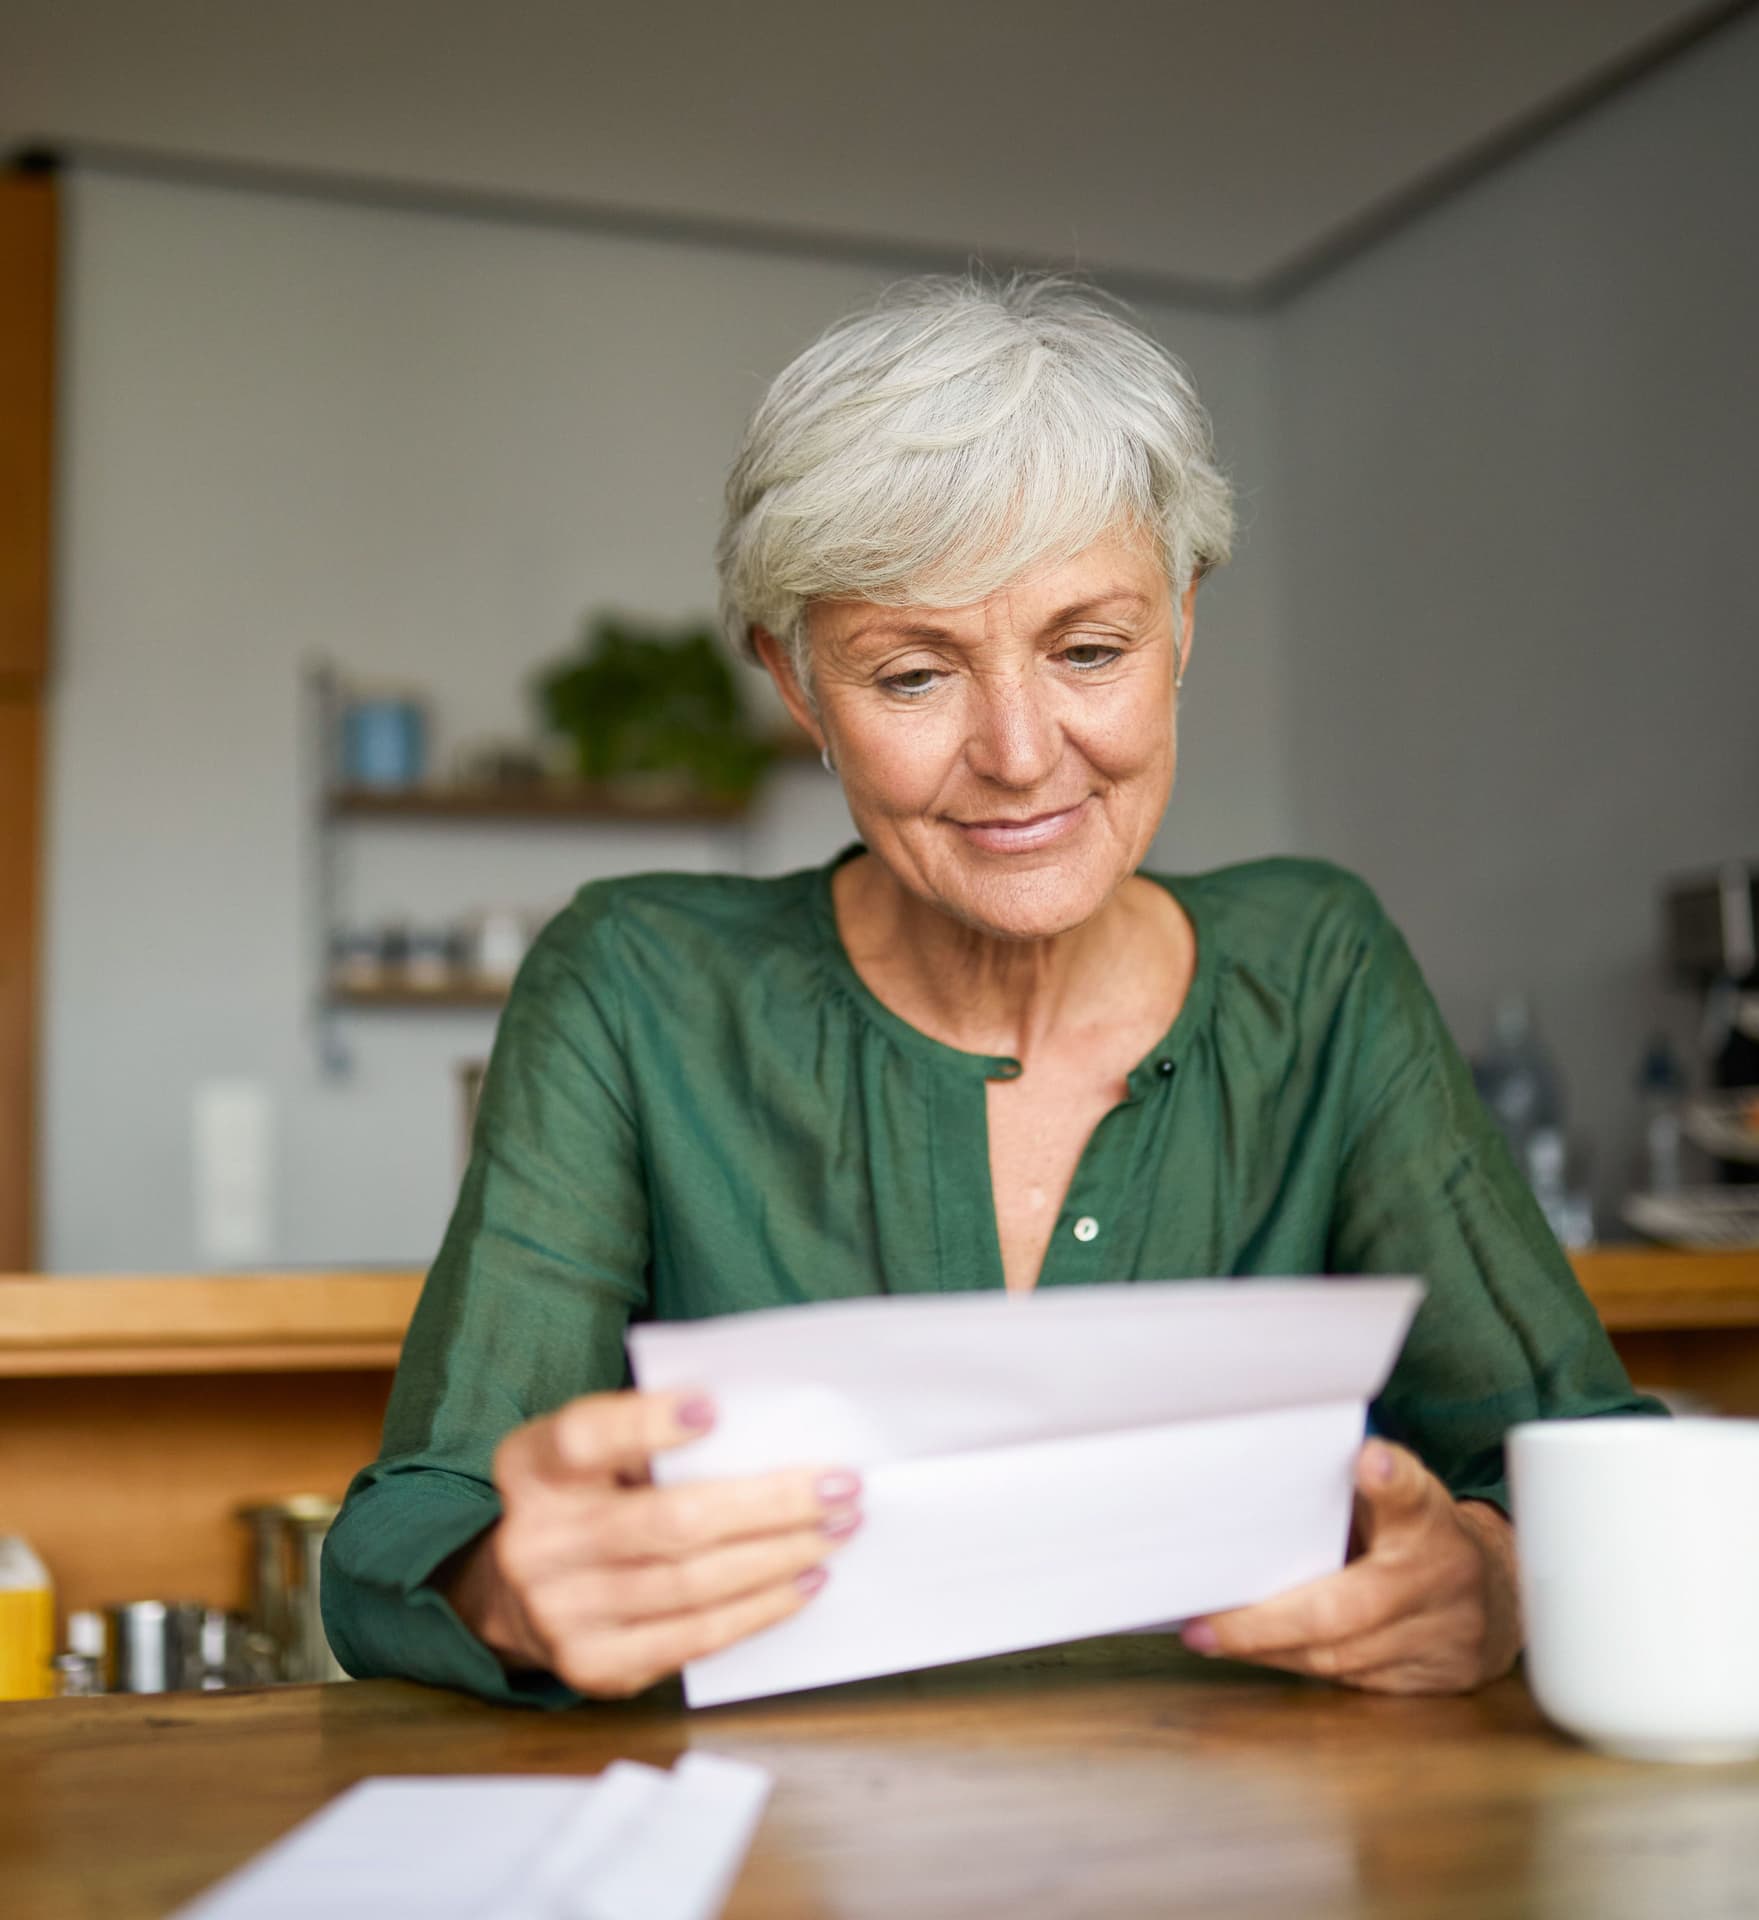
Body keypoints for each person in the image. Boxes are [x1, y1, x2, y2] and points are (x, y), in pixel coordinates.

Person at [321, 276, 1661, 1708]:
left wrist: (1498, 1579)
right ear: (794, 683)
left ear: (1185, 622)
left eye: (1091, 650)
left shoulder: (1318, 969)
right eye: (912, 675)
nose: (1023, 754)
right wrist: (509, 1585)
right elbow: (408, 1532)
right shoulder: (633, 988)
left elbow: (1582, 1449)